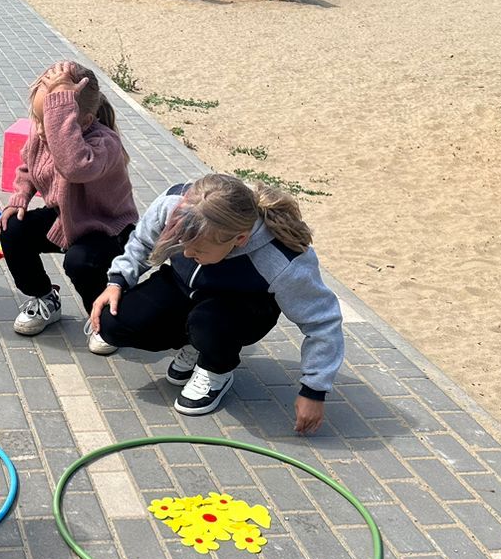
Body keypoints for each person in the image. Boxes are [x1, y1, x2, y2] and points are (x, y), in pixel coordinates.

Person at [89, 173, 344, 423]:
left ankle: (216, 369)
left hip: (238, 310)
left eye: (198, 249)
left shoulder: (281, 260)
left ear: (240, 240)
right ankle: (194, 344)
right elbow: (142, 242)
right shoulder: (175, 203)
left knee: (207, 324)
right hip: (183, 288)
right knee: (112, 323)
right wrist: (117, 281)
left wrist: (314, 390)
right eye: (181, 243)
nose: (186, 253)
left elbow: (322, 322)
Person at [0, 60, 138, 357]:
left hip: (107, 226)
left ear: (82, 121)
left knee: (80, 262)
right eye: (37, 118)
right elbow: (27, 165)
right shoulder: (43, 133)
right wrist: (20, 196)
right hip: (67, 216)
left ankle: (103, 319)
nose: (38, 128)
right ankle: (44, 298)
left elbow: (74, 165)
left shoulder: (105, 143)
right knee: (12, 230)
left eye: (46, 120)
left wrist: (58, 112)